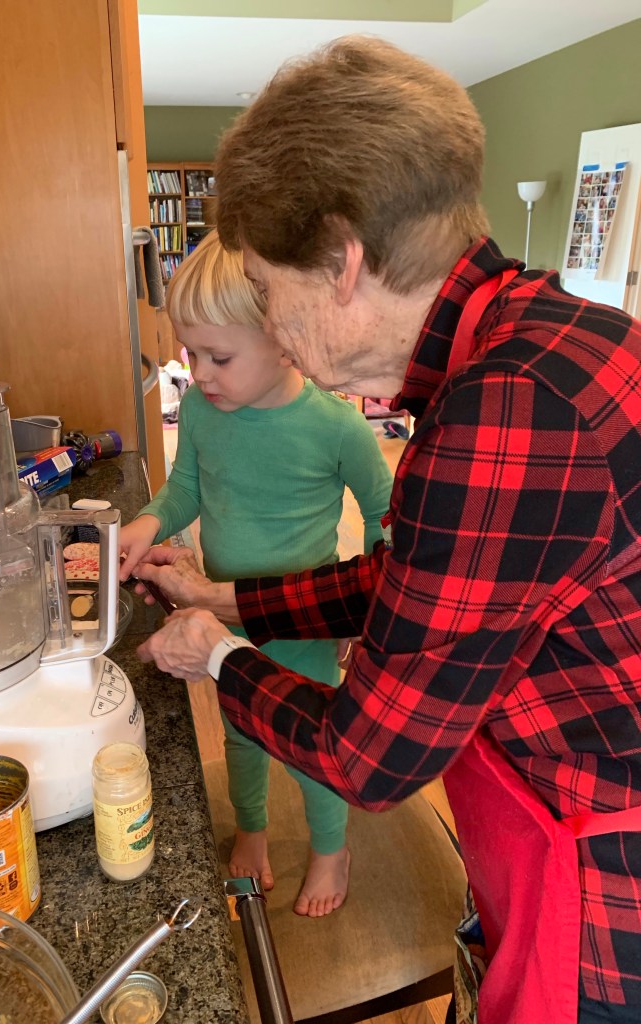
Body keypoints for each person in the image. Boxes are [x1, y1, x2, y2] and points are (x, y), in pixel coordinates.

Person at [134, 35, 641, 1024]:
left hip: (605, 895)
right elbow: (416, 584)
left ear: (341, 261)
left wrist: (218, 656)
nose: (271, 324)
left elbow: (369, 759)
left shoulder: (504, 414)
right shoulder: (561, 336)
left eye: (268, 290)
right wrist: (224, 597)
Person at [119, 230, 393, 917]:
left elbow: (387, 516)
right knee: (242, 732)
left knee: (312, 745)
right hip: (223, 616)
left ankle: (331, 848)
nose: (200, 375)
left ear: (285, 341)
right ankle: (252, 828)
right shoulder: (203, 412)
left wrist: (370, 617)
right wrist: (148, 523)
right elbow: (187, 487)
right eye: (190, 354)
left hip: (305, 623)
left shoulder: (337, 427)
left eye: (219, 357)